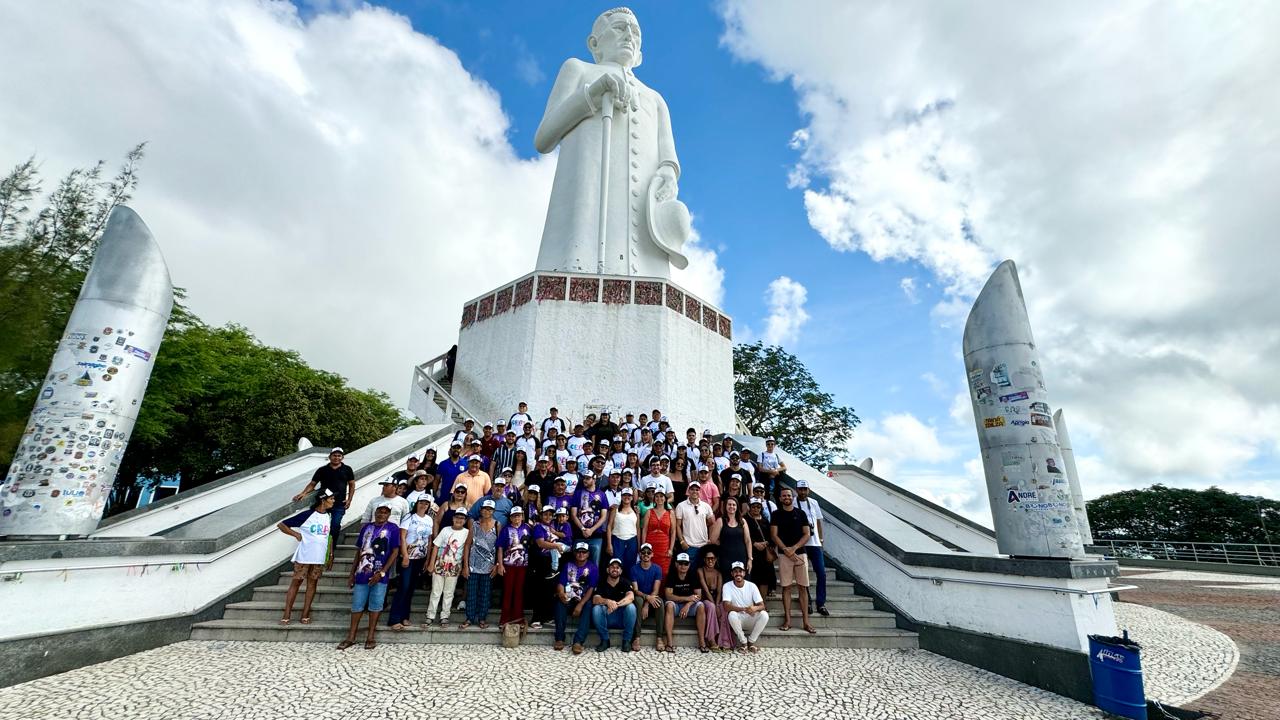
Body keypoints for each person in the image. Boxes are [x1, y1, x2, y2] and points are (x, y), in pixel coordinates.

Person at [339, 504, 400, 650]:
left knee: (376, 605)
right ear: (375, 512)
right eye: (379, 512)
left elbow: (395, 552)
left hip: (380, 573)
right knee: (357, 605)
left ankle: (370, 636)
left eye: (385, 512)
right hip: (362, 572)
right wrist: (352, 573)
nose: (381, 514)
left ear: (389, 514)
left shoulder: (393, 528)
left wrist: (383, 572)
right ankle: (351, 636)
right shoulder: (366, 528)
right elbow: (359, 551)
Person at [276, 489, 335, 625]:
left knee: (312, 584)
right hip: (304, 556)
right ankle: (287, 613)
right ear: (323, 500)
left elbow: (329, 536)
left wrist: (331, 554)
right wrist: (296, 534)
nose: (333, 501)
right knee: (296, 582)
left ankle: (305, 613)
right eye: (331, 499)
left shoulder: (328, 516)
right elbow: (282, 525)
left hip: (319, 557)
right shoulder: (308, 515)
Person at [770, 487, 816, 634]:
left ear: (792, 497)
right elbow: (774, 535)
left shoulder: (800, 513)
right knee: (786, 587)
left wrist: (794, 548)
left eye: (789, 495)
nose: (786, 497)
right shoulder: (776, 514)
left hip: (800, 554)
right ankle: (788, 620)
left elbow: (807, 534)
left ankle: (806, 622)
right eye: (784, 495)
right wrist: (785, 550)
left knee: (803, 587)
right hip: (784, 555)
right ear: (780, 498)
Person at [293, 448, 354, 556]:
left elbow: (352, 484)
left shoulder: (347, 469)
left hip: (339, 503)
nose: (336, 457)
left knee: (335, 526)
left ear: (342, 457)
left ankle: (330, 551)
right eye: (334, 455)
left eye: (339, 455)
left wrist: (349, 499)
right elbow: (313, 484)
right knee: (317, 525)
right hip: (322, 503)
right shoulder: (322, 470)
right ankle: (315, 548)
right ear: (330, 456)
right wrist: (304, 493)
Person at [388, 496, 434, 630]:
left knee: (411, 588)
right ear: (417, 503)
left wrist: (428, 558)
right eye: (421, 502)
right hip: (409, 556)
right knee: (404, 586)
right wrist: (405, 555)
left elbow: (429, 540)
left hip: (421, 557)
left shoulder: (429, 519)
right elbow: (402, 536)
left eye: (426, 503)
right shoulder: (409, 517)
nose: (423, 505)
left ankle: (405, 616)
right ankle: (394, 618)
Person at [424, 509, 469, 628]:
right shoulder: (445, 530)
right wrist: (431, 563)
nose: (459, 520)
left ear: (465, 520)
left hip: (454, 566)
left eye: (462, 518)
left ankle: (444, 616)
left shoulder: (466, 532)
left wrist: (464, 566)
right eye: (457, 517)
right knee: (436, 591)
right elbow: (436, 546)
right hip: (440, 564)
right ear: (453, 518)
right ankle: (430, 615)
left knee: (449, 592)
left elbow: (466, 550)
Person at [553, 542, 598, 653]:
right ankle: (559, 638)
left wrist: (580, 605)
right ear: (574, 553)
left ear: (588, 554)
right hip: (568, 597)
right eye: (578, 551)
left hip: (583, 599)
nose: (581, 554)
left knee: (588, 606)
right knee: (559, 603)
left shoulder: (593, 568)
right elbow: (561, 583)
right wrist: (561, 593)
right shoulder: (568, 565)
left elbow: (591, 588)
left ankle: (578, 641)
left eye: (584, 552)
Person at [793, 480, 829, 616]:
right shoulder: (793, 503)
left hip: (814, 543)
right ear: (796, 490)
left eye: (805, 489)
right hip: (801, 543)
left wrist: (821, 539)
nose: (802, 492)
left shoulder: (813, 503)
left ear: (808, 490)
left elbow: (818, 521)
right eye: (800, 489)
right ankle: (806, 600)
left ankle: (821, 603)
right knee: (803, 574)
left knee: (821, 573)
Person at [462, 500, 499, 629]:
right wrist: (465, 565)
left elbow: (500, 547)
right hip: (473, 564)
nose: (487, 511)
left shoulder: (497, 525)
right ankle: (469, 618)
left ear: (493, 511)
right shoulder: (474, 525)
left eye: (490, 509)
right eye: (485, 509)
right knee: (471, 593)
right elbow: (467, 545)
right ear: (481, 510)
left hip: (489, 565)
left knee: (485, 594)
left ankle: (482, 618)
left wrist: (497, 564)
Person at [591, 557, 636, 652]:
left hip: (622, 618)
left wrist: (616, 604)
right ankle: (605, 640)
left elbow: (631, 597)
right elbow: (595, 599)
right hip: (607, 618)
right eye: (612, 567)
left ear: (621, 570)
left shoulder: (625, 582)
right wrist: (607, 601)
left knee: (631, 607)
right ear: (608, 569)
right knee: (596, 609)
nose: (615, 569)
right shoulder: (601, 582)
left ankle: (626, 641)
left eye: (617, 567)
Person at [495, 506, 531, 627]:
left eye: (519, 515)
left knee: (519, 591)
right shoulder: (506, 530)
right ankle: (504, 619)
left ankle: (518, 618)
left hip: (522, 565)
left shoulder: (527, 528)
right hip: (509, 564)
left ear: (522, 516)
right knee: (508, 591)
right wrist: (500, 564)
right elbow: (500, 547)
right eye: (514, 516)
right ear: (510, 518)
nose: (517, 518)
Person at [662, 552, 704, 653]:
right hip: (675, 605)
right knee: (669, 605)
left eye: (686, 563)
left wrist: (688, 604)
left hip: (689, 605)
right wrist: (687, 599)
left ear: (689, 565)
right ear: (676, 564)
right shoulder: (671, 575)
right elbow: (668, 595)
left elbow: (699, 595)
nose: (683, 566)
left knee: (701, 606)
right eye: (681, 563)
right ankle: (669, 643)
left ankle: (702, 642)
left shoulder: (693, 575)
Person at [722, 561, 768, 653]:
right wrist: (744, 609)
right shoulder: (727, 586)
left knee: (764, 615)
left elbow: (762, 606)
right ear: (732, 573)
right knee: (731, 614)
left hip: (751, 618)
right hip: (738, 620)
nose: (738, 573)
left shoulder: (752, 586)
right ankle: (743, 643)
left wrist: (755, 608)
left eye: (740, 571)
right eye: (735, 571)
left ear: (744, 573)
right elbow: (726, 606)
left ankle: (751, 642)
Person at [530, 505, 562, 629]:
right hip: (540, 561)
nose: (548, 517)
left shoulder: (551, 527)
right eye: (545, 514)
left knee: (549, 590)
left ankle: (547, 617)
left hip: (551, 561)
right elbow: (540, 543)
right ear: (541, 515)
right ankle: (536, 618)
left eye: (550, 514)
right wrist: (556, 547)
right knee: (540, 590)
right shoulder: (538, 527)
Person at [570, 472, 610, 566]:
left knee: (595, 563)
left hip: (596, 535)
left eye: (588, 478)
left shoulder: (601, 494)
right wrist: (583, 529)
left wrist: (591, 530)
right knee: (576, 563)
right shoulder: (578, 493)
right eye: (584, 478)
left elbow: (604, 516)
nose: (585, 480)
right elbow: (573, 515)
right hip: (580, 534)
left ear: (594, 479)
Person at [673, 481, 714, 569]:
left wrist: (710, 538)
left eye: (697, 489)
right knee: (690, 572)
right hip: (689, 546)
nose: (694, 491)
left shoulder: (706, 506)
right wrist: (682, 541)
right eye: (692, 489)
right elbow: (678, 525)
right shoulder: (681, 506)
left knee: (703, 572)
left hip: (704, 545)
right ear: (688, 491)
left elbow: (711, 522)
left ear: (700, 491)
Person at [697, 547, 732, 652]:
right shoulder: (700, 570)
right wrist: (714, 605)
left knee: (724, 608)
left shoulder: (718, 573)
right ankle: (711, 639)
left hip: (716, 598)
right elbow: (705, 590)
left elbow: (719, 591)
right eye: (708, 558)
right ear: (704, 559)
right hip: (705, 599)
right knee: (711, 607)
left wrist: (718, 605)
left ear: (716, 559)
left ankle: (724, 640)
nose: (710, 561)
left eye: (712, 558)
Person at [711, 496, 751, 576]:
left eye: (734, 505)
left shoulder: (742, 521)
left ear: (737, 507)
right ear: (725, 506)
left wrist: (750, 559)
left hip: (742, 557)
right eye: (729, 504)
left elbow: (748, 541)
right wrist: (723, 543)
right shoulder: (720, 521)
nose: (731, 507)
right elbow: (712, 540)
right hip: (726, 558)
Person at [745, 498, 777, 597]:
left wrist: (767, 543)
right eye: (753, 506)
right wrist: (755, 543)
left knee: (764, 580)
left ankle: (762, 603)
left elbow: (771, 536)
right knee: (753, 579)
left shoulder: (765, 520)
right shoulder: (745, 519)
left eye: (758, 507)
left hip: (764, 553)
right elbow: (744, 536)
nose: (756, 509)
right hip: (752, 553)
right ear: (750, 507)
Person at [606, 487, 640, 572]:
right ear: (621, 497)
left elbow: (638, 529)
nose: (627, 497)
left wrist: (639, 545)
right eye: (624, 495)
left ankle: (629, 584)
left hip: (632, 541)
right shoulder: (615, 510)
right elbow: (609, 526)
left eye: (629, 495)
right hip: (617, 540)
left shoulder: (636, 511)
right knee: (616, 565)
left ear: (632, 497)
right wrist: (609, 544)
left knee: (631, 565)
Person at [640, 488, 673, 575]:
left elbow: (673, 533)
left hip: (664, 546)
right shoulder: (649, 512)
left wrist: (671, 549)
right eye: (657, 496)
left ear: (665, 498)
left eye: (661, 496)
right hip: (651, 545)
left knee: (664, 572)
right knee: (649, 571)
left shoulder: (670, 513)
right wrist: (643, 546)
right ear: (654, 498)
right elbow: (644, 530)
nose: (659, 498)